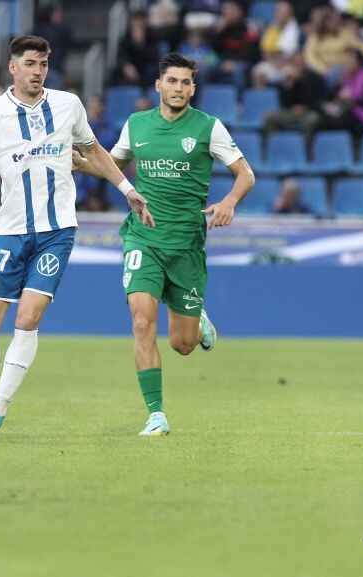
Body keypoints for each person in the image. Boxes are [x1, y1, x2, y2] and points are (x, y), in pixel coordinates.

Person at [0, 35, 153, 443]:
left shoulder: (67, 105)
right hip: (11, 230)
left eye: (43, 63)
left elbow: (93, 152)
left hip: (57, 231)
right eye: (30, 63)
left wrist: (127, 189)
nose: (37, 71)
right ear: (12, 67)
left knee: (28, 317)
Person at [74, 52, 255, 436]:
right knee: (142, 321)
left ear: (193, 88)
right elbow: (113, 164)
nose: (179, 88)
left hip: (186, 243)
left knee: (183, 345)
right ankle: (156, 414)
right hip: (144, 236)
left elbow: (245, 174)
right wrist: (81, 162)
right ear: (158, 85)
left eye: (186, 82)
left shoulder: (209, 127)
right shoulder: (137, 124)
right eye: (172, 81)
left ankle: (195, 315)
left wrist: (229, 202)